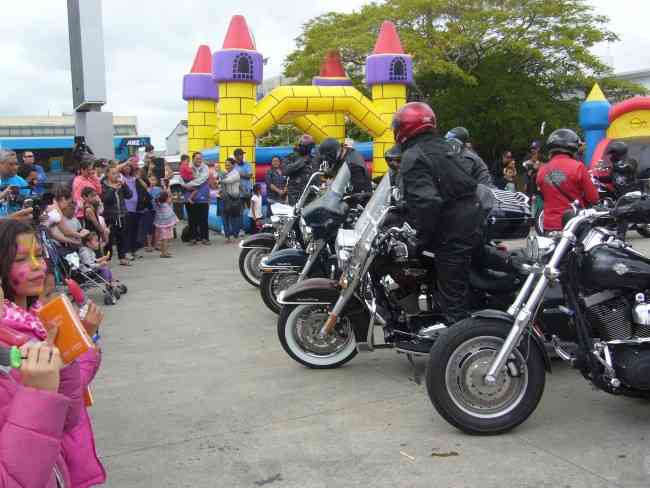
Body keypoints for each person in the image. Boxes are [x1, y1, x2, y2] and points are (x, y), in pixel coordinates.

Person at [0, 219, 84, 487]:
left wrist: (66, 355)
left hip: (55, 469)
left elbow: (68, 418)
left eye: (39, 255)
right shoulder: (10, 340)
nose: (38, 266)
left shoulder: (40, 318)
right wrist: (39, 393)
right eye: (23, 259)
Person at [395, 102, 482, 325]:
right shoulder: (444, 147)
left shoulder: (413, 156)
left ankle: (460, 342)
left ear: (403, 128)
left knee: (453, 299)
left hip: (452, 232)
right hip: (471, 220)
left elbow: (427, 203)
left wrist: (418, 237)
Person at [536, 129, 599, 232]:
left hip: (549, 226)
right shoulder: (578, 167)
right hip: (573, 225)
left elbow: (542, 195)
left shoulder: (542, 170)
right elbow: (593, 198)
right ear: (572, 146)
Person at [102, 165, 133, 266]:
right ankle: (107, 258)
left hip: (122, 214)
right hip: (110, 216)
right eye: (113, 173)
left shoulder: (120, 184)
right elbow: (106, 200)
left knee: (122, 237)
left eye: (117, 173)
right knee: (109, 239)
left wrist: (124, 185)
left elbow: (129, 195)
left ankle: (122, 257)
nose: (116, 176)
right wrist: (113, 189)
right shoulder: (103, 185)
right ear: (107, 174)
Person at [121, 159, 150, 260]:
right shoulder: (121, 177)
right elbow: (116, 169)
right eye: (125, 166)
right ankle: (127, 251)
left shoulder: (134, 177)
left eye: (129, 166)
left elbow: (146, 186)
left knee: (135, 230)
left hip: (137, 208)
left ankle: (133, 250)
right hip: (126, 208)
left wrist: (139, 178)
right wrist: (125, 162)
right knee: (127, 231)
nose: (127, 168)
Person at [45, 186, 89, 251]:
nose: (67, 206)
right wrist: (81, 235)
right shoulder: (55, 209)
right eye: (68, 203)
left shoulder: (51, 207)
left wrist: (73, 241)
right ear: (63, 199)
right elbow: (66, 232)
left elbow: (54, 233)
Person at [183, 152, 211, 245]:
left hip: (203, 197)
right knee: (192, 219)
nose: (199, 160)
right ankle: (193, 238)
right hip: (190, 197)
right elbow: (181, 178)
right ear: (193, 159)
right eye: (197, 158)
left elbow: (201, 180)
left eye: (200, 158)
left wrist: (188, 184)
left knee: (203, 219)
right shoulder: (188, 167)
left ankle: (205, 238)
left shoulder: (205, 168)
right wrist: (184, 185)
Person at [285, 134, 319, 205]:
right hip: (296, 196)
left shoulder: (314, 159)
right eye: (306, 146)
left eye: (310, 147)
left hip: (311, 195)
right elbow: (286, 171)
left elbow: (318, 174)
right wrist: (303, 161)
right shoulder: (291, 157)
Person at [0, 149, 29, 217]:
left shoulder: (20, 181)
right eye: (11, 164)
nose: (15, 167)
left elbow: (28, 202)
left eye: (16, 164)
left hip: (15, 224)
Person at [220, 158, 241, 243]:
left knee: (234, 218)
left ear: (233, 165)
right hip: (225, 198)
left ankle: (235, 235)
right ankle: (227, 237)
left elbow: (229, 180)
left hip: (233, 199)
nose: (226, 166)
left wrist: (220, 180)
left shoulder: (236, 173)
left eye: (228, 165)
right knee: (225, 218)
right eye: (226, 165)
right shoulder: (225, 173)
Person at [153, 189, 178, 258]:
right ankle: (163, 253)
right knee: (164, 239)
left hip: (162, 224)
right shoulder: (164, 205)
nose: (170, 199)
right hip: (164, 225)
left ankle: (164, 252)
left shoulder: (159, 205)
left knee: (164, 239)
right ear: (166, 199)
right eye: (169, 198)